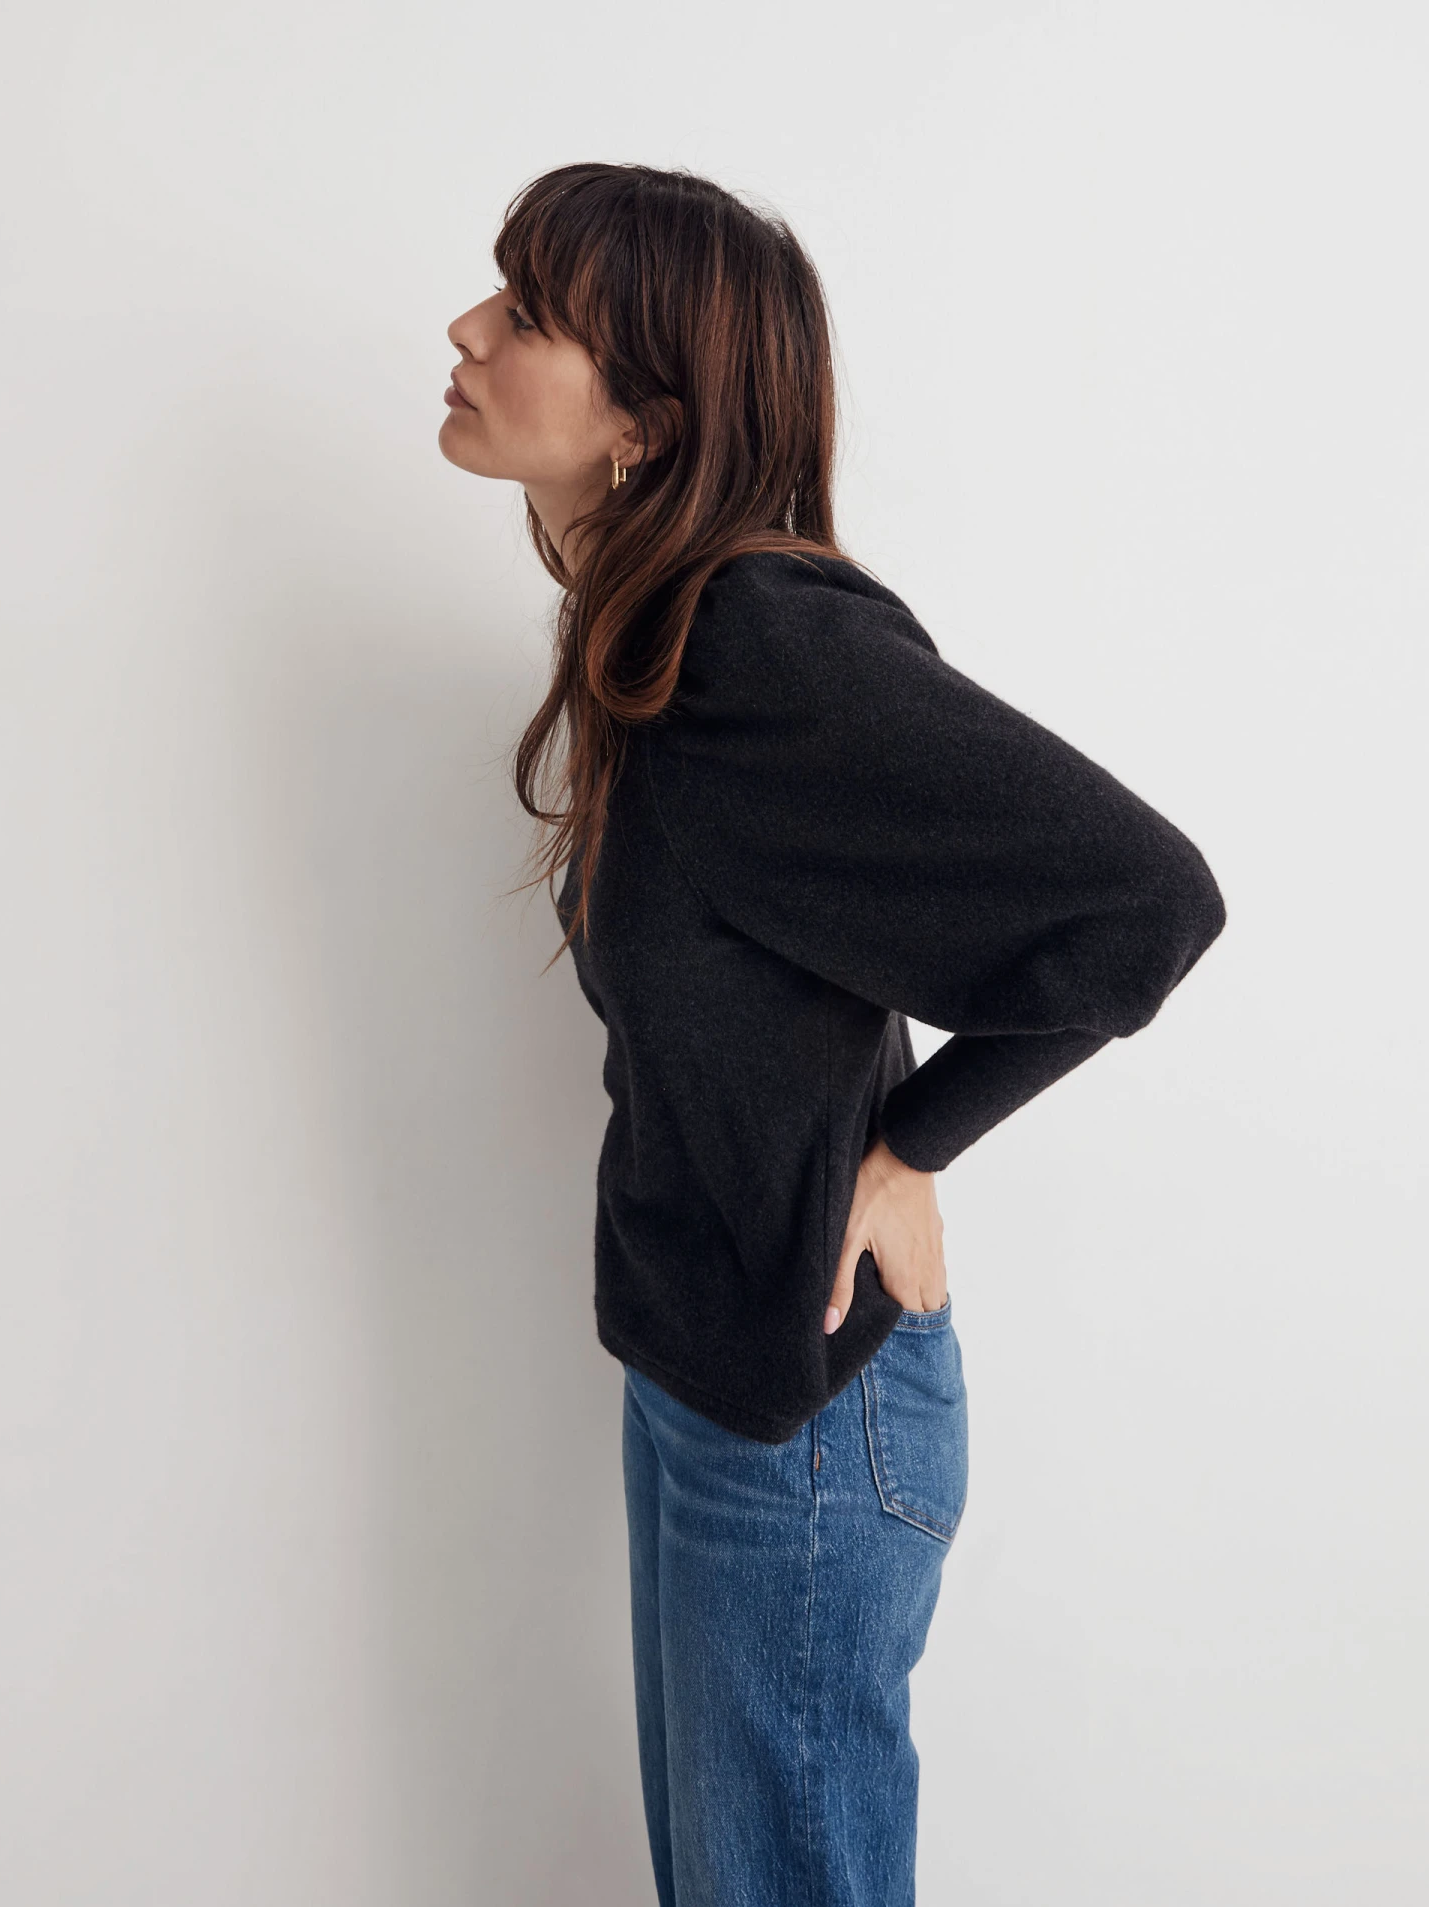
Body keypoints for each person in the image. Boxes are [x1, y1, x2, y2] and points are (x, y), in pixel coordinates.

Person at [439, 162, 1226, 1907]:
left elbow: (1147, 898)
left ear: (646, 423)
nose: (467, 330)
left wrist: (911, 1145)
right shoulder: (652, 635)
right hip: (708, 1374)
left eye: (528, 313)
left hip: (807, 1423)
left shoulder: (757, 640)